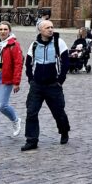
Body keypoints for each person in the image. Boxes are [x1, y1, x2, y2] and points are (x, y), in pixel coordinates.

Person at [21, 19, 70, 151]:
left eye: (52, 27)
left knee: (58, 112)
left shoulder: (59, 43)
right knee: (31, 112)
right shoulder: (34, 45)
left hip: (53, 85)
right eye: (47, 27)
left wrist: (60, 80)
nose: (50, 29)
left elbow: (65, 63)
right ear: (40, 30)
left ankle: (64, 131)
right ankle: (31, 140)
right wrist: (31, 79)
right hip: (37, 85)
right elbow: (28, 63)